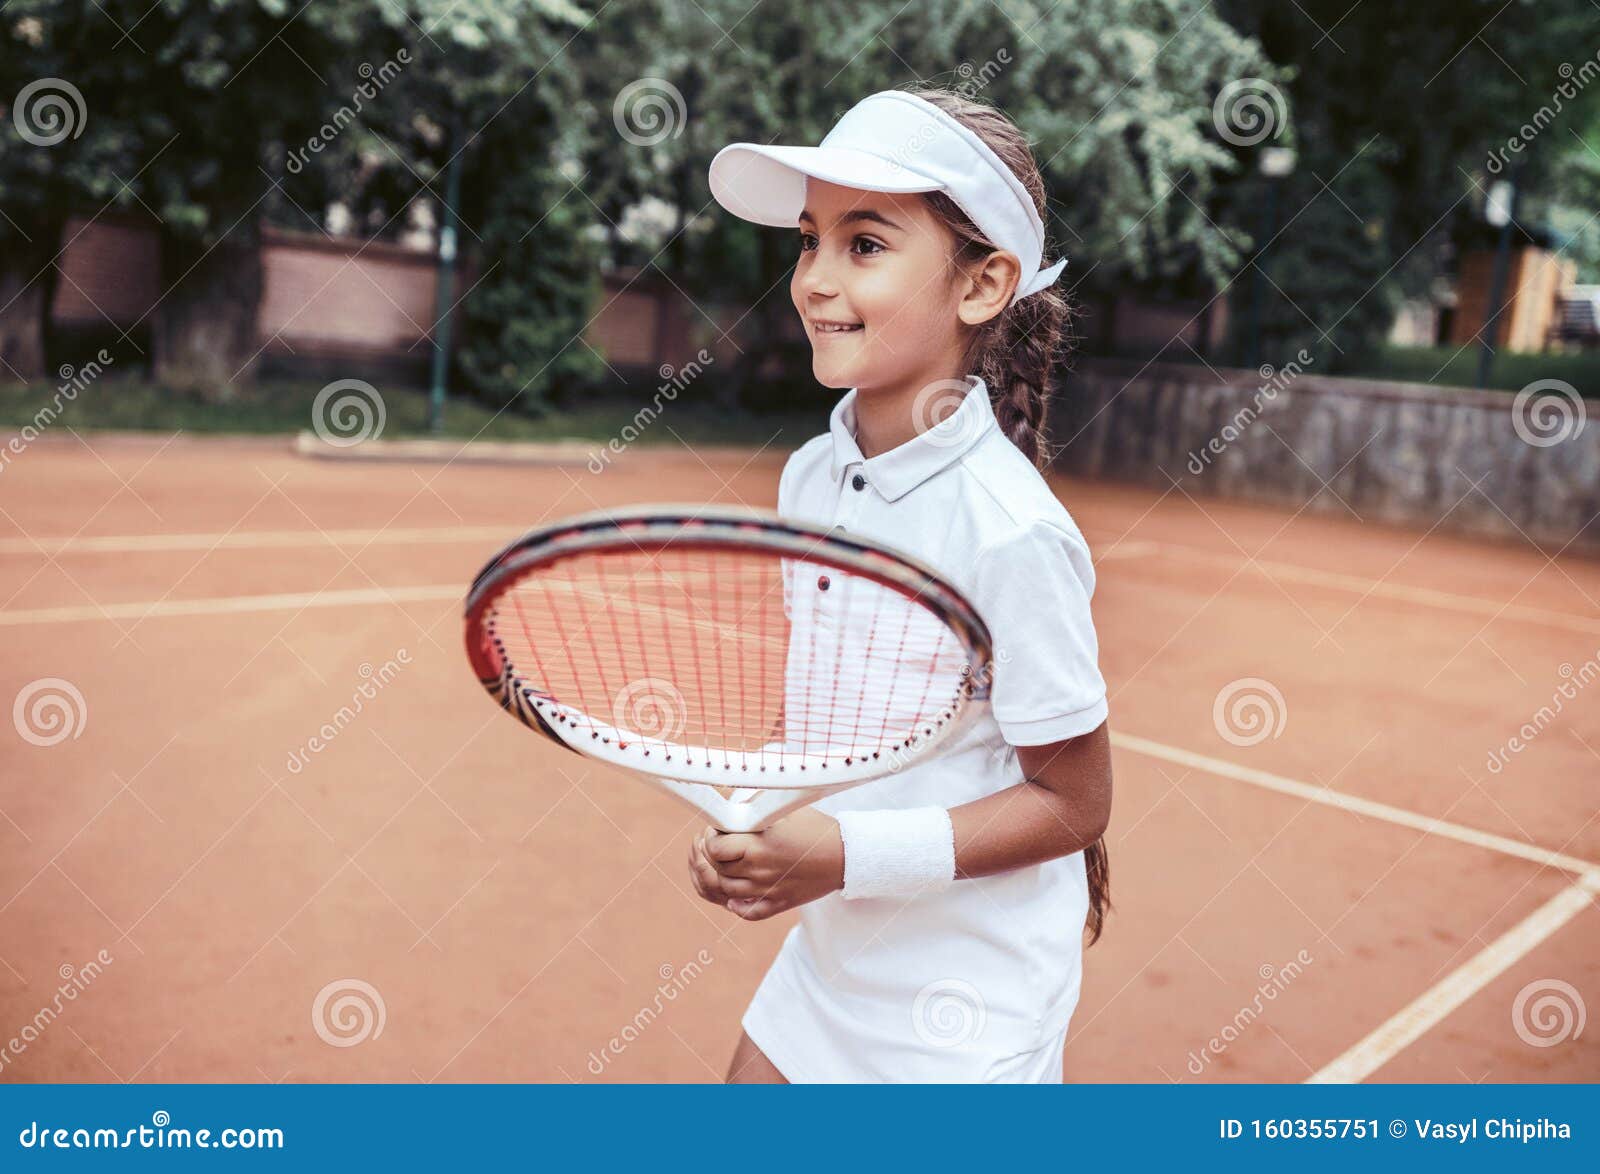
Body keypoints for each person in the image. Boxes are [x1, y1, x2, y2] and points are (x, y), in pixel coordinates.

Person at [689, 85, 1114, 1083]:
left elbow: (1072, 806)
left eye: (865, 244)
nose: (814, 281)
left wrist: (839, 856)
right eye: (808, 241)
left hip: (964, 1012)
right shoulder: (812, 477)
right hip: (841, 955)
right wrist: (756, 817)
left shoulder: (1010, 534)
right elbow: (839, 719)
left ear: (980, 286)